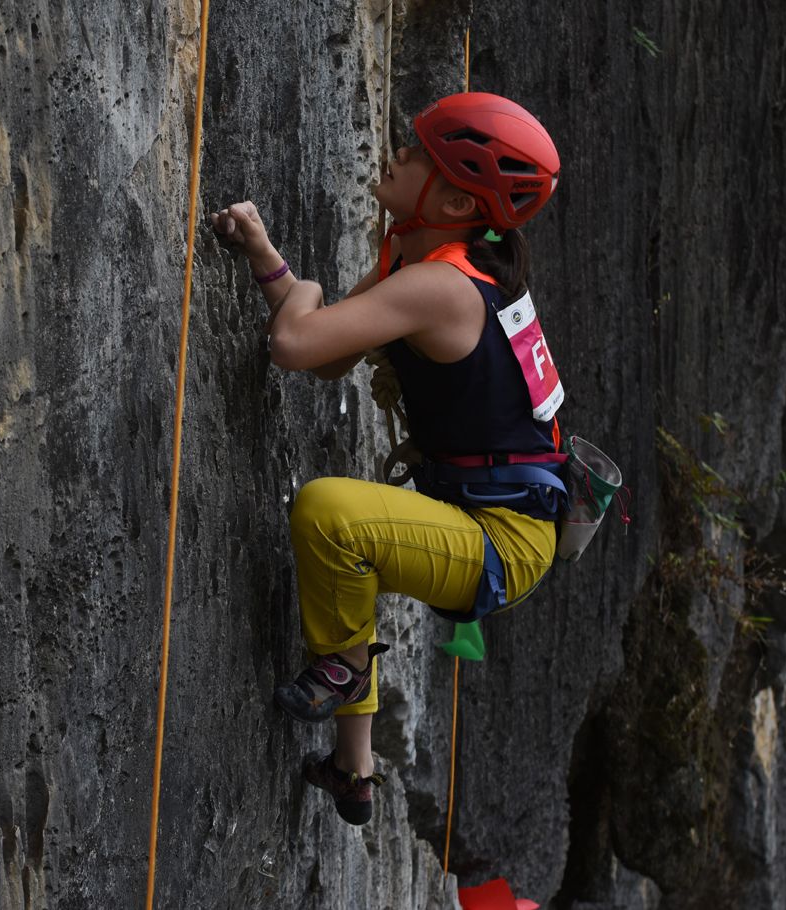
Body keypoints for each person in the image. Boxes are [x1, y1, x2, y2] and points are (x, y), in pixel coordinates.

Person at [210, 92, 565, 826]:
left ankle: (342, 674)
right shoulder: (433, 261)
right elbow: (330, 357)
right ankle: (354, 766)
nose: (398, 154)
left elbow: (295, 343)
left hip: (504, 539)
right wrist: (265, 255)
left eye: (418, 154)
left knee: (329, 513)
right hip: (487, 512)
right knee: (347, 550)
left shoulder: (440, 285)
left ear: (458, 197)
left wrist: (301, 292)